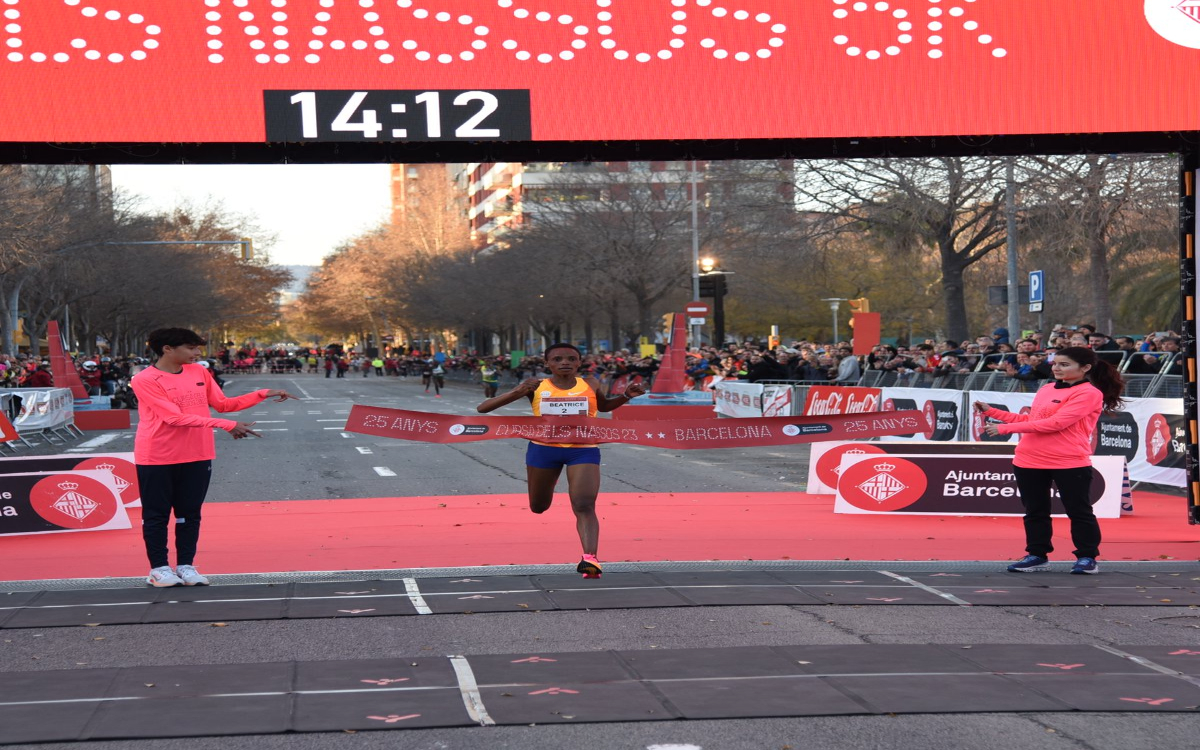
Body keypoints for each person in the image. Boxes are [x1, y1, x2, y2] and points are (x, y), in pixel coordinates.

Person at [131, 328, 299, 587]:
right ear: (167, 349)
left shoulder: (198, 371)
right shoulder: (145, 379)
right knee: (157, 515)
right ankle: (159, 569)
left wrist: (262, 393)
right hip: (157, 455)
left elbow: (223, 404)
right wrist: (226, 425)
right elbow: (173, 418)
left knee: (190, 513)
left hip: (197, 453)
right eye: (191, 348)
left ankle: (186, 566)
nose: (198, 353)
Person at [476, 343, 647, 579]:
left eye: (570, 358)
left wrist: (626, 396)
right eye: (557, 359)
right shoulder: (536, 386)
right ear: (547, 364)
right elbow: (483, 408)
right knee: (539, 506)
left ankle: (590, 560)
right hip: (543, 450)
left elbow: (604, 406)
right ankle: (550, 479)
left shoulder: (591, 383)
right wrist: (518, 391)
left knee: (584, 504)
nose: (564, 362)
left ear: (579, 362)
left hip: (583, 450)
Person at [974, 346, 1124, 575]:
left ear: (1085, 368)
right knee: (1035, 511)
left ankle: (1087, 557)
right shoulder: (1046, 389)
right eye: (1055, 364)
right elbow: (1033, 420)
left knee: (1079, 511)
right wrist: (991, 411)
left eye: (1064, 365)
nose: (1057, 368)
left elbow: (1056, 424)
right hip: (1028, 459)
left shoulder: (1089, 393)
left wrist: (1005, 428)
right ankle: (1037, 555)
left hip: (1069, 461)